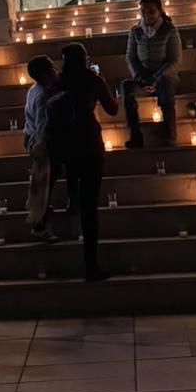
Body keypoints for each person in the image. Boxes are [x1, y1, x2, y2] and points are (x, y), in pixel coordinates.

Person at [47, 42, 118, 283]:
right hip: (89, 143)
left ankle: (71, 198)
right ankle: (91, 265)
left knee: (74, 173)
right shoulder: (93, 79)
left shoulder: (58, 82)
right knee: (91, 207)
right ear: (85, 58)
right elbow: (113, 109)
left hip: (66, 145)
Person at [122, 0, 182, 147]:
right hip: (143, 78)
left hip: (165, 77)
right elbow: (131, 57)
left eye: (150, 11)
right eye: (143, 12)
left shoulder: (169, 30)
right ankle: (135, 134)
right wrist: (140, 77)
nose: (146, 15)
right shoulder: (136, 32)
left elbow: (175, 60)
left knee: (165, 83)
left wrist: (156, 77)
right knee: (126, 87)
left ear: (159, 11)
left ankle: (170, 133)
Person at [23, 54, 60, 243]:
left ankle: (42, 222)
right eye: (52, 69)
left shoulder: (33, 90)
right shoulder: (42, 95)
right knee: (43, 187)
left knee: (42, 185)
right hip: (40, 144)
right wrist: (41, 145)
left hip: (32, 138)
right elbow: (41, 124)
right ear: (45, 74)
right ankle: (40, 226)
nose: (56, 71)